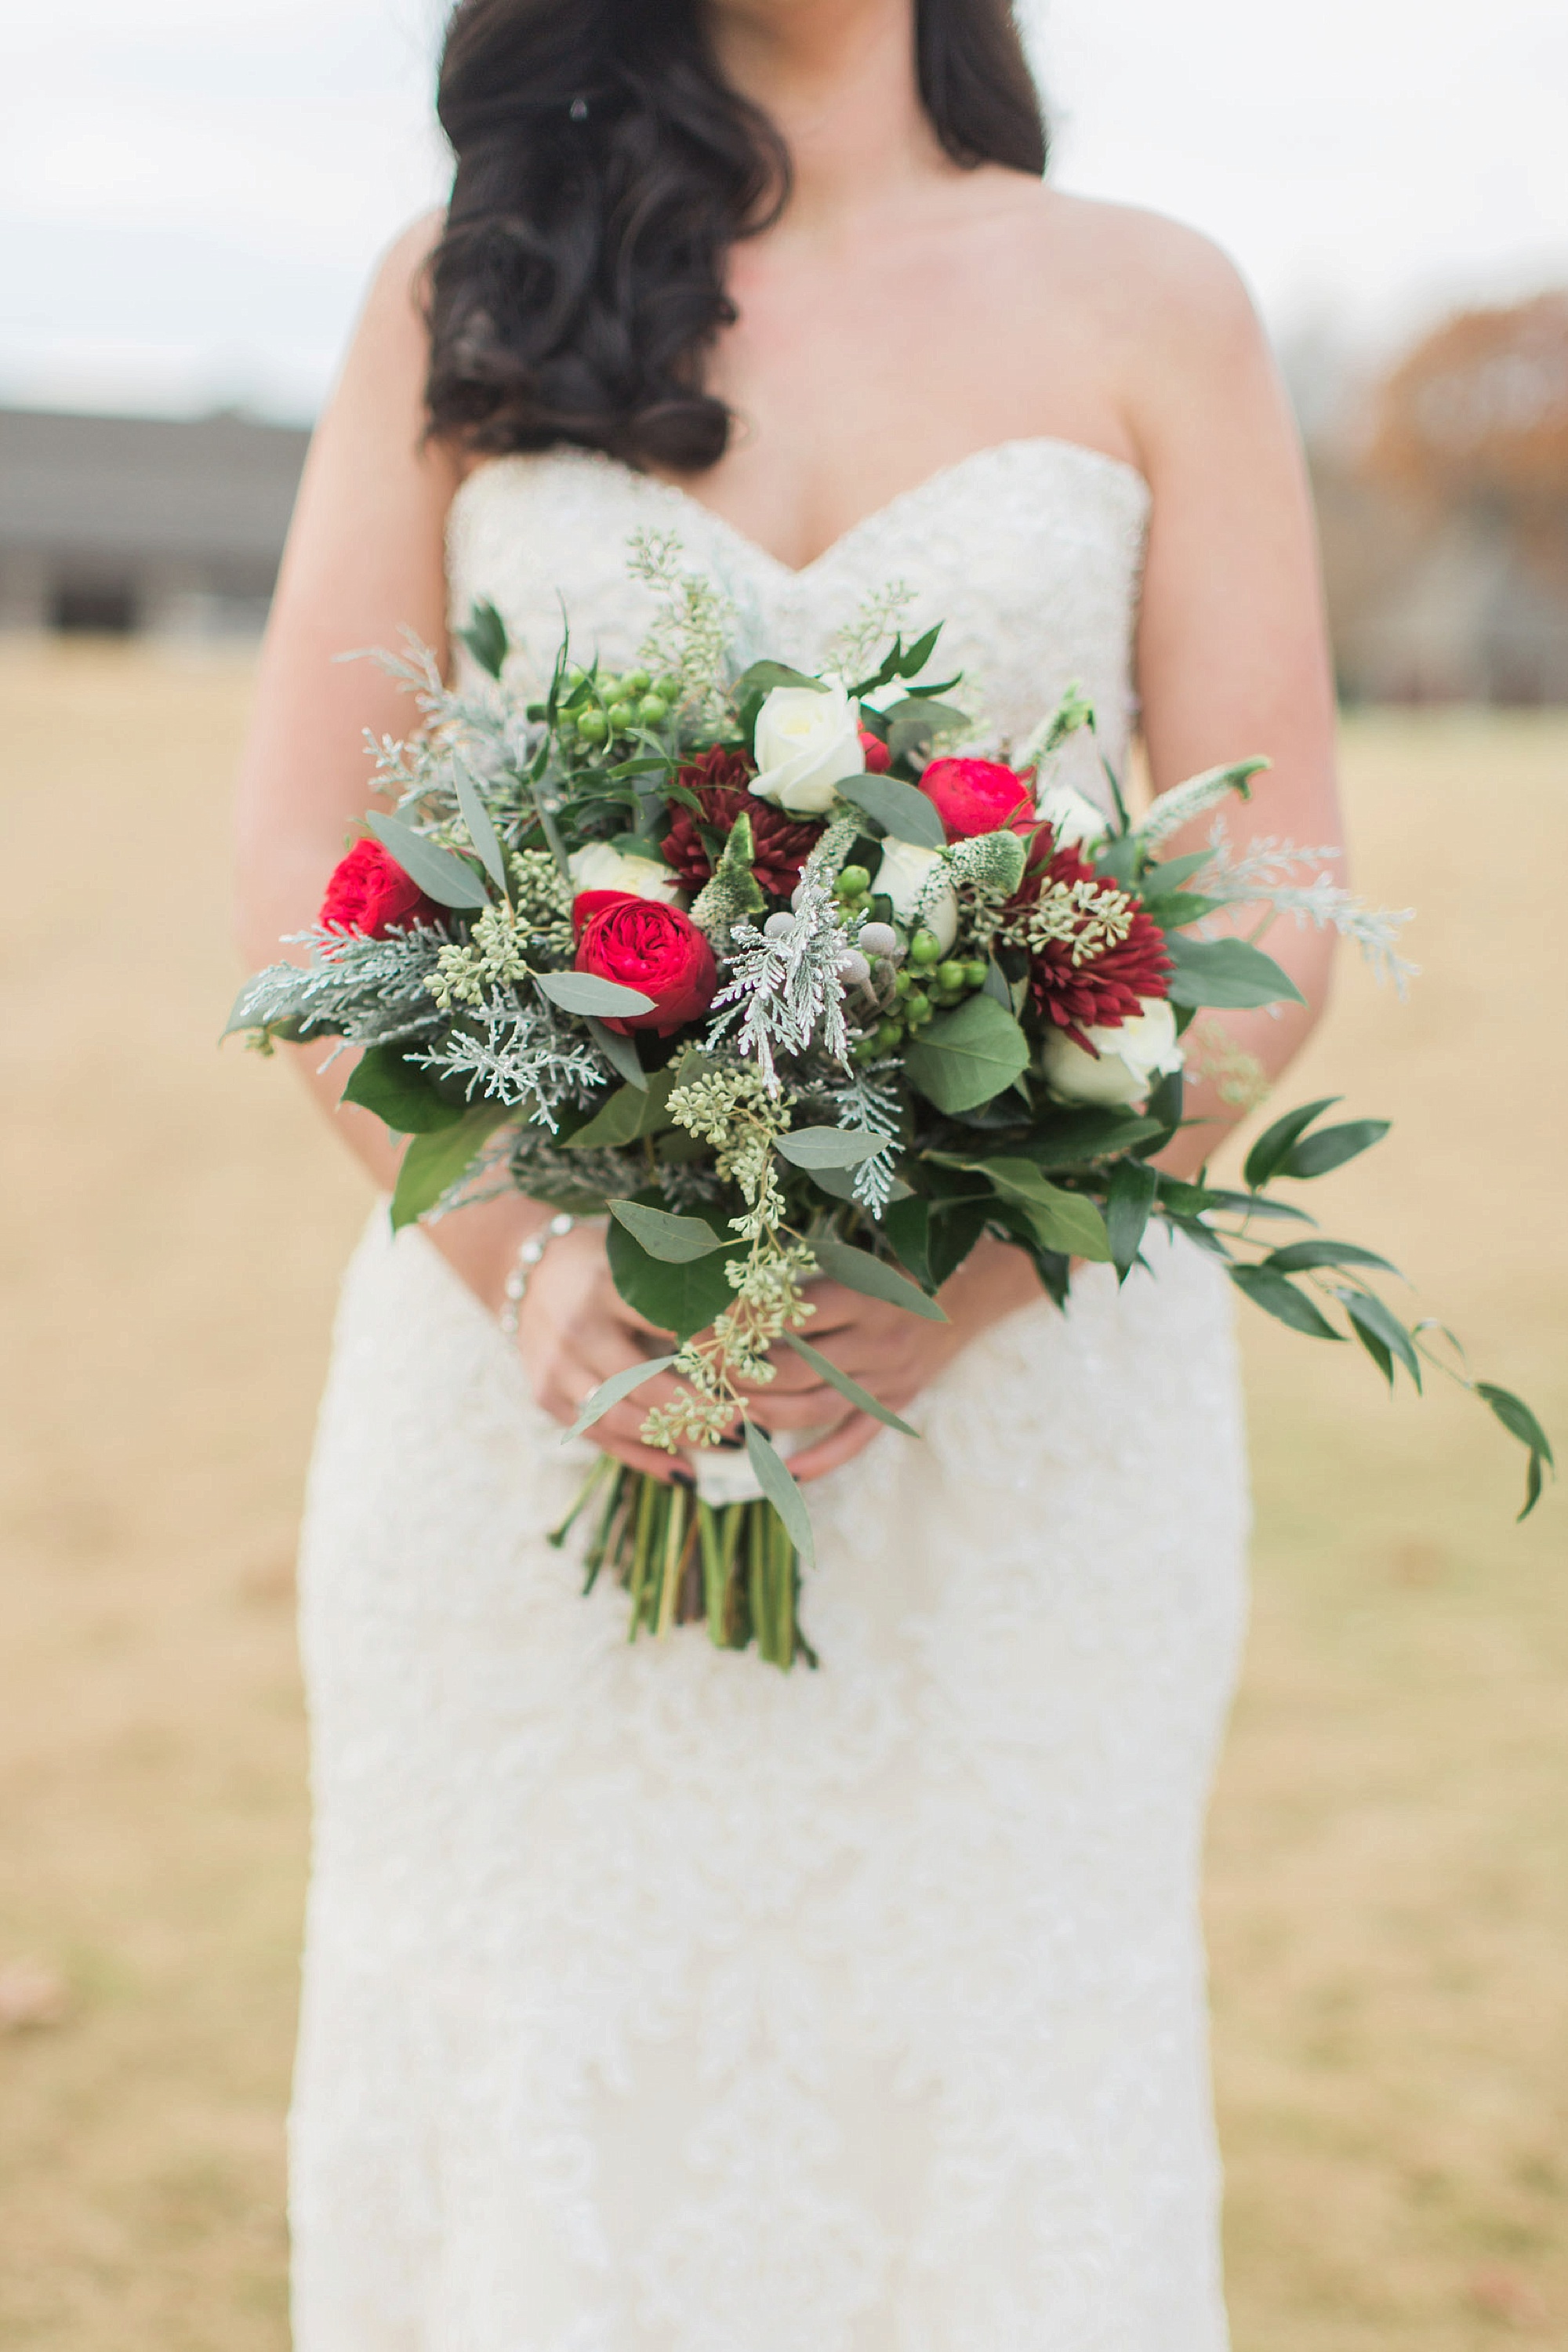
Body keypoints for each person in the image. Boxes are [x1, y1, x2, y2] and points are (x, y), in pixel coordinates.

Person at [235, 1, 1341, 2342]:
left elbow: (1278, 908)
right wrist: (526, 1251)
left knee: (988, 2126)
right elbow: (306, 868)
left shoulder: (1159, 300)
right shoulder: (470, 279)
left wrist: (963, 1278)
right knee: (548, 2113)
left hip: (1020, 1449)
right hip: (519, 1403)